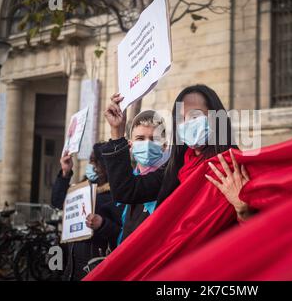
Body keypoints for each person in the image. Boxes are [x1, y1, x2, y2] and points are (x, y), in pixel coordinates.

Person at [103, 84, 254, 222]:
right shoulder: (176, 168)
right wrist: (117, 131)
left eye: (195, 116)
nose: (188, 124)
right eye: (181, 119)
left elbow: (257, 234)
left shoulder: (233, 167)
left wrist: (243, 210)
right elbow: (126, 191)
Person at [51, 142, 122, 281]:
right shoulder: (83, 189)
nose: (90, 165)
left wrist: (102, 224)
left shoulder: (116, 195)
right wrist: (65, 173)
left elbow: (121, 233)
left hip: (93, 266)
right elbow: (57, 202)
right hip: (72, 267)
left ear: (104, 165)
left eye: (94, 161)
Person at [116, 110, 169, 244]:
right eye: (140, 138)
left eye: (154, 139)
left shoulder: (170, 181)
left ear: (164, 145)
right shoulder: (127, 182)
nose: (147, 144)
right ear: (130, 145)